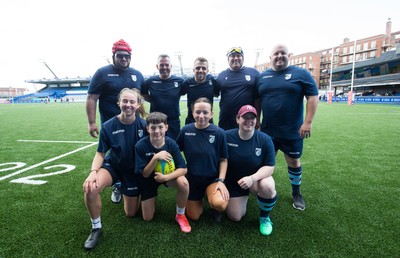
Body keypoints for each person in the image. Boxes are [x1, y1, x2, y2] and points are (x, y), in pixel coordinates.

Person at [82, 88, 148, 250]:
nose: (128, 105)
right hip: (114, 166)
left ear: (138, 104)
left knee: (131, 213)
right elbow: (100, 153)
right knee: (91, 189)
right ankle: (96, 227)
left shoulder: (144, 125)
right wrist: (93, 173)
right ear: (118, 103)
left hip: (133, 171)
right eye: (124, 101)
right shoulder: (108, 126)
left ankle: (123, 187)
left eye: (132, 101)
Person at [256, 43, 319, 211]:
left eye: (283, 53)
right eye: (276, 53)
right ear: (270, 57)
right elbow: (257, 100)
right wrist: (257, 119)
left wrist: (308, 122)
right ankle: (261, 189)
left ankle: (296, 193)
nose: (279, 56)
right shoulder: (262, 77)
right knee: (265, 161)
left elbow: (313, 97)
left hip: (292, 130)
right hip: (268, 130)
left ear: (289, 55)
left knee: (293, 161)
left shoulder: (301, 74)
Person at [86, 39, 146, 204]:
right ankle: (117, 185)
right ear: (113, 55)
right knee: (114, 155)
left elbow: (144, 97)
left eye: (127, 56)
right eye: (120, 55)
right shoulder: (102, 73)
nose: (124, 58)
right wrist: (92, 122)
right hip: (111, 125)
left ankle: (139, 182)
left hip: (134, 124)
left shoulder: (137, 74)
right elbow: (92, 97)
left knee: (135, 153)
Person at [225, 105, 277, 236]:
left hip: (255, 180)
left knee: (268, 186)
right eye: (245, 117)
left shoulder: (265, 139)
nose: (249, 121)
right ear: (238, 119)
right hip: (234, 183)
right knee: (235, 217)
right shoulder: (226, 136)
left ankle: (264, 217)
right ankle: (243, 198)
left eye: (252, 118)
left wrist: (252, 178)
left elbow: (270, 167)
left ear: (256, 120)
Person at [135, 112, 191, 233]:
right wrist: (155, 157)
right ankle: (149, 197)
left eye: (160, 127)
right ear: (147, 128)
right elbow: (144, 174)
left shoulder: (171, 144)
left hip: (166, 176)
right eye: (153, 128)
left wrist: (165, 177)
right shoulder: (140, 145)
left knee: (184, 183)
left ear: (166, 127)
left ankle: (180, 215)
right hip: (149, 179)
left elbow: (183, 169)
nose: (157, 131)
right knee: (147, 218)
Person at [176, 97, 229, 222]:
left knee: (220, 204)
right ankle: (201, 197)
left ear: (211, 114)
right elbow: (176, 151)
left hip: (212, 179)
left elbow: (223, 159)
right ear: (192, 112)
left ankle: (214, 205)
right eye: (198, 112)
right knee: (193, 216)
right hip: (193, 179)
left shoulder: (219, 133)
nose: (201, 116)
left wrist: (221, 180)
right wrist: (181, 169)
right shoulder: (186, 130)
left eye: (205, 112)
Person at [140, 54, 184, 140]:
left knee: (172, 146)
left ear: (171, 66)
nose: (164, 67)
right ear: (157, 66)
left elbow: (183, 92)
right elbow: (144, 94)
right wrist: (154, 100)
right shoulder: (150, 81)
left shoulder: (180, 81)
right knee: (155, 146)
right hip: (155, 121)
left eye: (167, 65)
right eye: (161, 65)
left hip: (173, 122)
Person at [215, 47, 260, 130]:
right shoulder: (221, 75)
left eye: (238, 56)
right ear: (228, 59)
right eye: (232, 56)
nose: (236, 58)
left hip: (247, 120)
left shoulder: (254, 73)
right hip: (226, 121)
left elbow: (258, 99)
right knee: (224, 142)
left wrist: (257, 118)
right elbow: (213, 93)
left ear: (243, 58)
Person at [181, 57, 219, 124]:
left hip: (208, 121)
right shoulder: (187, 83)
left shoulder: (212, 81)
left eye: (204, 68)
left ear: (207, 71)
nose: (200, 70)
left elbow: (216, 94)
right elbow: (178, 94)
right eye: (198, 68)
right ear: (193, 70)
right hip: (191, 121)